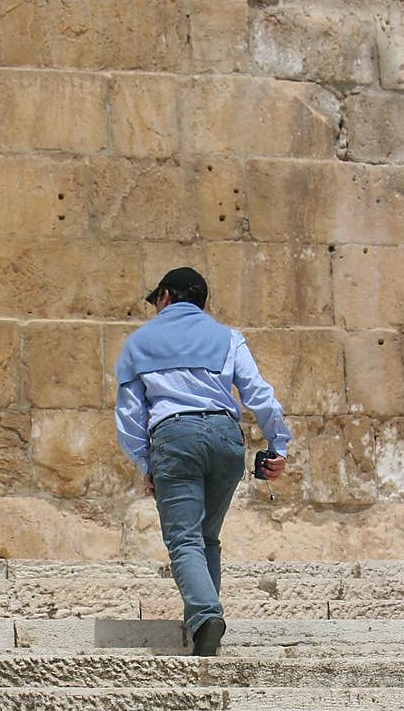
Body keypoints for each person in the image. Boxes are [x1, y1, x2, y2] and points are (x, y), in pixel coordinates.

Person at [115, 267, 291, 656]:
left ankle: (207, 616)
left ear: (164, 296)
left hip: (174, 439)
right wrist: (278, 444)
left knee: (183, 538)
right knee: (206, 536)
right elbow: (258, 394)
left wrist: (145, 463)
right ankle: (203, 628)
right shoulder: (229, 339)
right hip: (226, 439)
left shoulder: (138, 342)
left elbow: (129, 417)